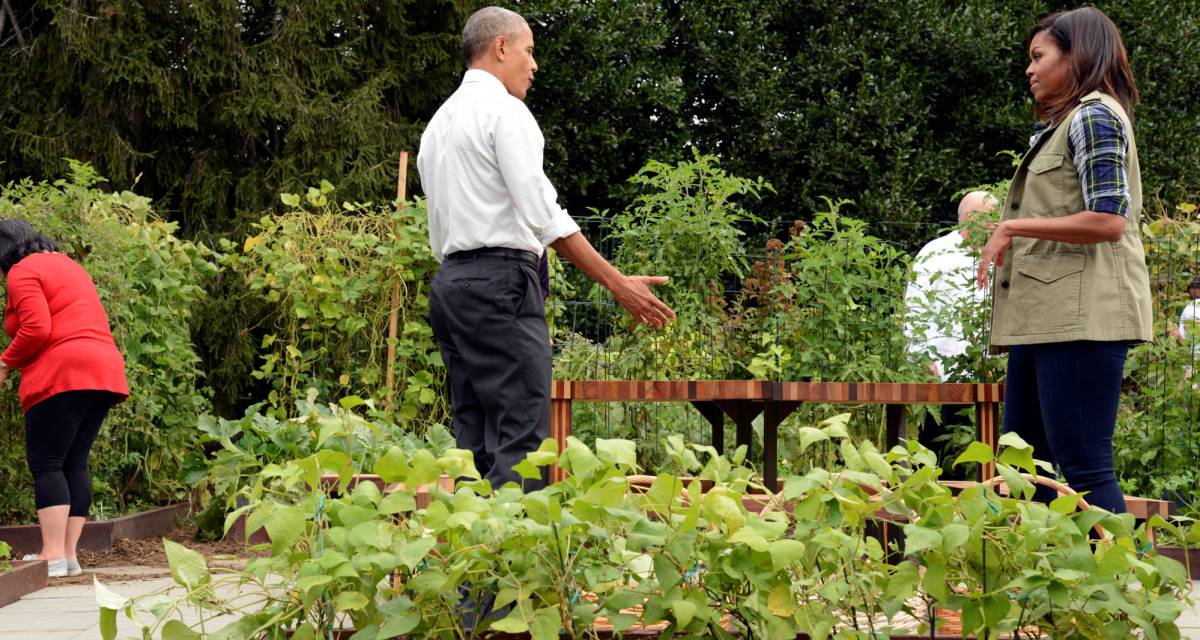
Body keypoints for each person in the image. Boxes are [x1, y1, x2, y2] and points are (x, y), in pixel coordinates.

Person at [418, 6, 675, 493]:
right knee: (523, 438)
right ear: (501, 48)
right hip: (499, 285)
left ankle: (471, 564)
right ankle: (516, 562)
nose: (534, 65)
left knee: (473, 436)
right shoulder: (505, 112)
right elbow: (544, 216)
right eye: (529, 51)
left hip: (452, 288)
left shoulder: (438, 124)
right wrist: (618, 283)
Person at [977, 8, 1152, 514]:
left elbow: (1108, 220)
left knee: (1083, 468)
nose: (1029, 70)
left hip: (1083, 320)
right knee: (1025, 466)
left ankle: (1124, 588)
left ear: (1076, 55)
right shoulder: (1064, 125)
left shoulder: (1095, 116)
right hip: (1047, 319)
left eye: (1039, 56)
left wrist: (1011, 226)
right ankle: (1047, 587)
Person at [0, 219, 129, 577]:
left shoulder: (22, 271)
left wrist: (5, 362)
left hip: (64, 372)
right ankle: (67, 556)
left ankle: (51, 554)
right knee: (74, 461)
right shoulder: (68, 264)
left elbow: (37, 327)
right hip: (103, 370)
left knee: (47, 462)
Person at [903, 191, 996, 475]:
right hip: (941, 371)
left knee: (985, 449)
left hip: (987, 370)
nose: (996, 223)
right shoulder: (935, 254)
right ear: (970, 218)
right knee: (937, 448)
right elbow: (915, 308)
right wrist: (921, 357)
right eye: (990, 217)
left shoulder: (1004, 254)